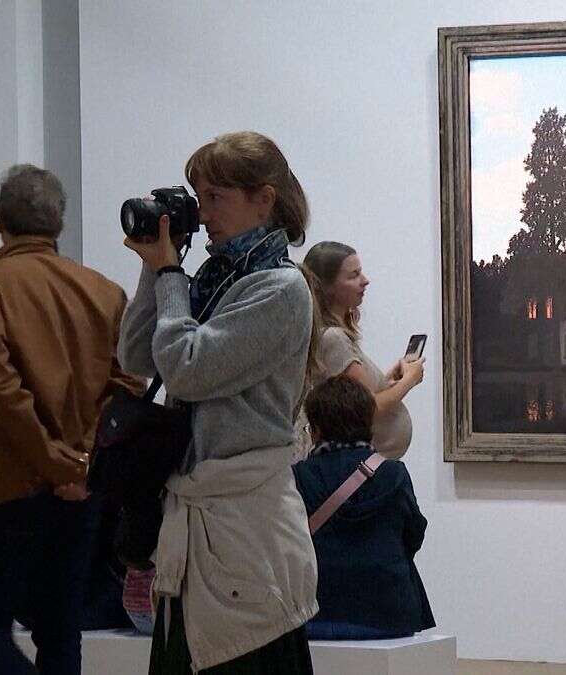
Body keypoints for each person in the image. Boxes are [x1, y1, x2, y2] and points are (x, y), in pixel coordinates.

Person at [118, 130, 320, 673]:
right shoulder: (211, 276)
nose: (203, 214)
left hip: (245, 524)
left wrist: (168, 276)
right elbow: (137, 356)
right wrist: (155, 268)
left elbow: (186, 369)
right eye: (198, 197)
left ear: (264, 199)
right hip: (196, 518)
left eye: (216, 198)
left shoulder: (279, 289)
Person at [0, 164, 141, 675]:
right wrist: (81, 466)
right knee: (60, 631)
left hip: (9, 484)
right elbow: (127, 388)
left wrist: (55, 465)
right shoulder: (103, 291)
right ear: (59, 224)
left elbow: (2, 392)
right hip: (81, 491)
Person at [292, 376, 435, 640]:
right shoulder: (394, 474)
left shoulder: (298, 477)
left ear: (315, 429)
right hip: (389, 613)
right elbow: (414, 534)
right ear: (368, 424)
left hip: (316, 613)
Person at [302, 241, 424, 459]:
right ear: (328, 286)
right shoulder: (333, 338)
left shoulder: (336, 335)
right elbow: (367, 408)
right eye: (353, 275)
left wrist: (387, 380)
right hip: (359, 469)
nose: (365, 281)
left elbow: (351, 397)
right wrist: (409, 381)